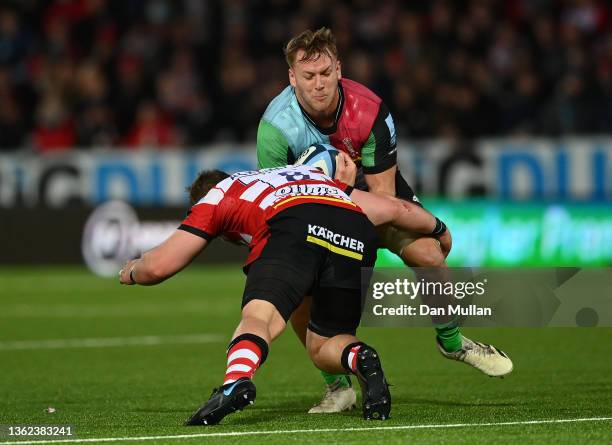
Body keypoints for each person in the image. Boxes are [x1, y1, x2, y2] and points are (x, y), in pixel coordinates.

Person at [257, 27, 513, 413]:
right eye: (308, 77)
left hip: (369, 194)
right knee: (300, 300)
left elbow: (383, 200)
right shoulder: (275, 129)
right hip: (309, 205)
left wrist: (423, 230)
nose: (319, 84)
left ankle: (453, 342)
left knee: (428, 254)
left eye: (326, 73)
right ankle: (337, 387)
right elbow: (281, 206)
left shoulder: (370, 110)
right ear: (292, 78)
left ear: (339, 69)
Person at [118, 161, 443, 425]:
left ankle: (237, 380)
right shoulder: (300, 173)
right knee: (326, 342)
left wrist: (133, 271)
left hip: (291, 223)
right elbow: (393, 209)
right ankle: (361, 358)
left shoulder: (217, 196)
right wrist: (439, 229)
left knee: (261, 317)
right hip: (353, 227)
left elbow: (159, 266)